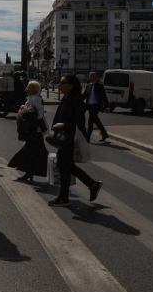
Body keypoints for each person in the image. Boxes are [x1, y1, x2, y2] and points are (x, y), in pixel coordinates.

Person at [48, 73, 102, 207]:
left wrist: (64, 125)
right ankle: (92, 184)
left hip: (71, 138)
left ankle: (64, 196)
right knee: (67, 166)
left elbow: (80, 122)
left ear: (71, 85)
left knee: (65, 166)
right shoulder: (66, 98)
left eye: (62, 82)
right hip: (63, 138)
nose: (59, 85)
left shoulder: (76, 99)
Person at [8, 80, 47, 183]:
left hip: (35, 131)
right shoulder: (30, 98)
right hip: (32, 130)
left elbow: (39, 113)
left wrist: (33, 122)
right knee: (35, 152)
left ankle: (54, 170)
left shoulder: (36, 99)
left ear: (34, 89)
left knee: (30, 151)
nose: (26, 89)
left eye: (29, 87)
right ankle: (29, 173)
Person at [83, 71, 109, 143]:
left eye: (91, 76)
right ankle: (104, 134)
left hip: (96, 106)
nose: (90, 78)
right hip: (89, 106)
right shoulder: (88, 86)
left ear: (95, 77)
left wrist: (107, 107)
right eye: (89, 76)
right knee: (96, 121)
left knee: (90, 121)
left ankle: (87, 138)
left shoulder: (99, 86)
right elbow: (84, 95)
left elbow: (104, 97)